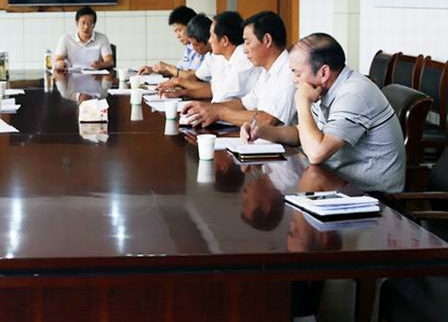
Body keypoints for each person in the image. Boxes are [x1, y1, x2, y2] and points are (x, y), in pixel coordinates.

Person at [242, 33, 406, 193]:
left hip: (373, 195)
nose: (293, 80)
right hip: (335, 180)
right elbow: (302, 133)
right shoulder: (326, 88)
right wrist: (261, 132)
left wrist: (302, 101)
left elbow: (316, 153)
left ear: (324, 72)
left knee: (292, 186)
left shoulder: (354, 94)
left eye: (297, 73)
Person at [182, 11, 296, 128]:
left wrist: (220, 113)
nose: (245, 50)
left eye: (248, 42)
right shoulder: (266, 72)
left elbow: (268, 120)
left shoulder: (290, 72)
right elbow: (244, 104)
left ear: (267, 40)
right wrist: (209, 108)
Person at [159, 11, 260, 102]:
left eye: (211, 36)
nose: (209, 41)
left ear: (224, 40)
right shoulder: (223, 56)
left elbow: (223, 98)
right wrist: (182, 93)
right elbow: (214, 90)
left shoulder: (243, 57)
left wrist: (205, 108)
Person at [139, 5, 203, 76]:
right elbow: (179, 71)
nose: (178, 36)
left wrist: (167, 67)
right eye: (175, 32)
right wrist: (153, 70)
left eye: (179, 30)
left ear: (191, 26)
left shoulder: (201, 48)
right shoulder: (189, 47)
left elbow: (191, 76)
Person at [53, 6, 113, 72]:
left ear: (94, 25)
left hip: (95, 75)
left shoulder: (102, 38)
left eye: (90, 23)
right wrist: (60, 63)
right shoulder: (66, 38)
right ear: (76, 23)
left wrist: (101, 65)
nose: (86, 27)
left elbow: (110, 62)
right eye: (83, 23)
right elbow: (57, 60)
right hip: (72, 75)